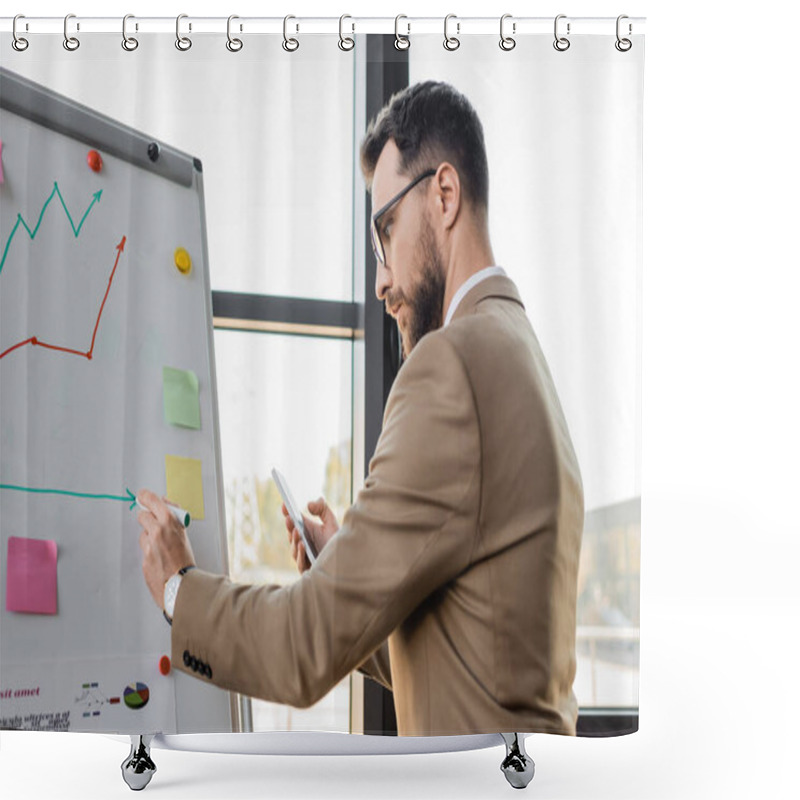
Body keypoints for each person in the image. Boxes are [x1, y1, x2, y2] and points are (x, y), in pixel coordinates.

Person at [137, 80, 584, 736]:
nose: (380, 279)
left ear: (445, 195)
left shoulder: (452, 364)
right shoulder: (520, 354)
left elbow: (298, 651)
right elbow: (477, 653)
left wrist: (180, 589)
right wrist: (348, 568)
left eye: (386, 231)